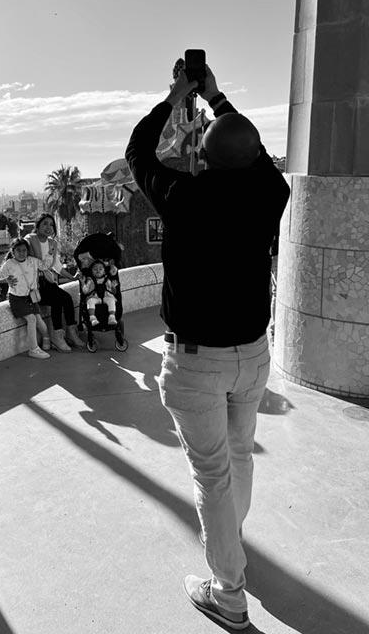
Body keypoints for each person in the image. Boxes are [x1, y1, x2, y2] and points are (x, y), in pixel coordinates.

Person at [125, 62, 290, 631]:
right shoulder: (271, 194)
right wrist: (217, 101)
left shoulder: (183, 196)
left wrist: (176, 98)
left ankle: (229, 592)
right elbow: (259, 155)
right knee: (239, 454)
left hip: (197, 363)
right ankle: (231, 544)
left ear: (207, 158)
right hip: (253, 356)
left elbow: (138, 152)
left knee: (213, 476)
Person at [24, 213, 84, 352]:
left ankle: (71, 333)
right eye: (45, 223)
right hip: (35, 284)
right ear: (37, 226)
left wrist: (72, 277)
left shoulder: (52, 243)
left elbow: (56, 266)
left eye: (51, 224)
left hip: (47, 282)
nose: (48, 227)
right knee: (57, 300)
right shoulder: (29, 240)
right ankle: (57, 338)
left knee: (67, 299)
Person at [0, 238, 51, 360]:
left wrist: (50, 253)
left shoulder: (33, 261)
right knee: (32, 319)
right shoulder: (9, 264)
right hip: (17, 298)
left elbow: (45, 266)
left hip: (31, 297)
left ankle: (46, 339)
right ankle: (33, 349)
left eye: (24, 250)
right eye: (18, 250)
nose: (22, 253)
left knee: (40, 321)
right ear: (13, 252)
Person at [79, 260, 119, 326]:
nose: (98, 270)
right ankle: (92, 318)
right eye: (95, 269)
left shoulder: (107, 280)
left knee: (111, 300)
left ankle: (112, 317)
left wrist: (113, 287)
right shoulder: (90, 280)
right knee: (90, 301)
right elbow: (85, 291)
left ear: (104, 271)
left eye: (100, 269)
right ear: (92, 271)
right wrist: (83, 283)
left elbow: (113, 292)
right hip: (95, 297)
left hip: (106, 296)